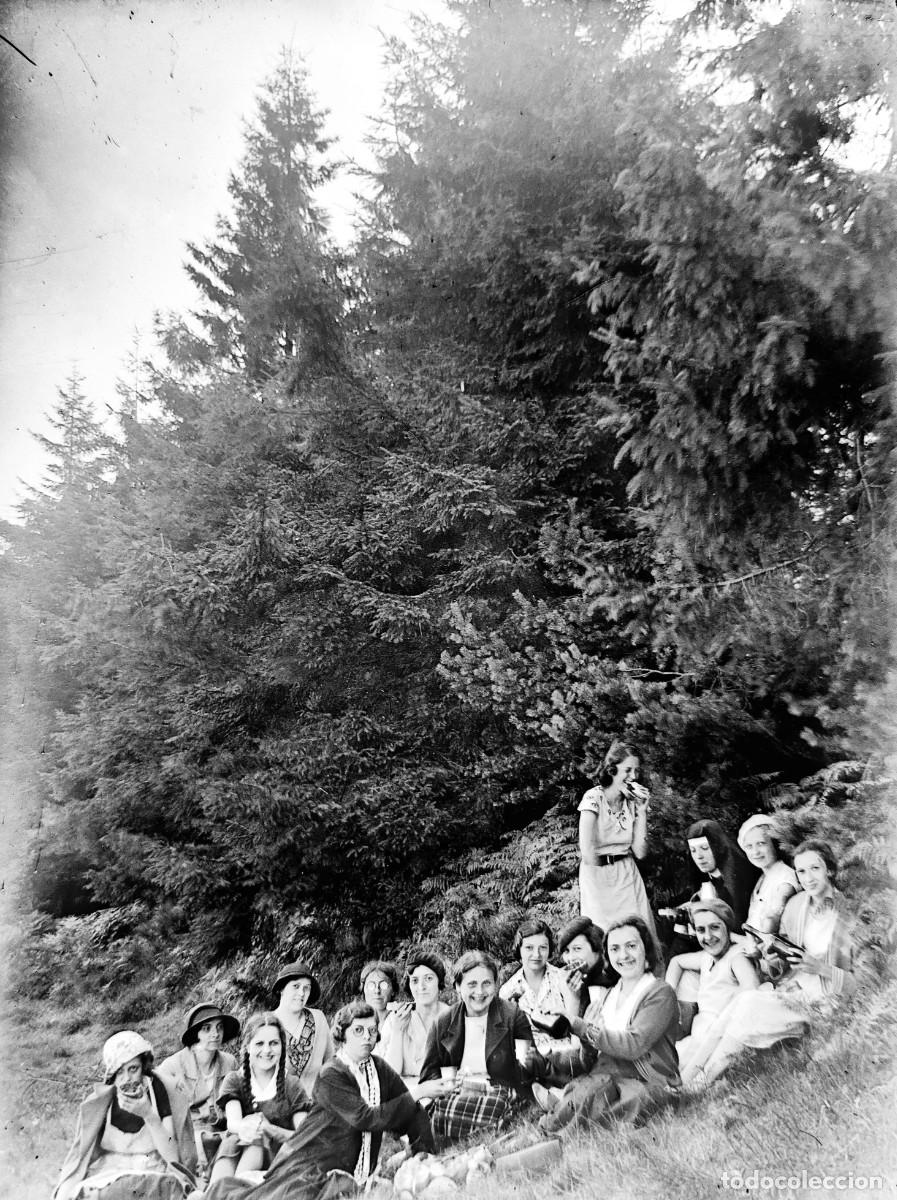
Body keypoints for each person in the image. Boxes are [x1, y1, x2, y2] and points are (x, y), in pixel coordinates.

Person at [202, 1002, 435, 1200]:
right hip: (307, 1160)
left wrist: (424, 1154)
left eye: (372, 1031)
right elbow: (364, 1118)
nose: (366, 1037)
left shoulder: (377, 1068)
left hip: (306, 1153)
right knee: (246, 1174)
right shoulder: (331, 1073)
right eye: (358, 1030)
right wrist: (251, 1127)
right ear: (343, 1034)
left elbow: (408, 1109)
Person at [533, 917, 680, 1133]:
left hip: (644, 1083)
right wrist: (583, 1037)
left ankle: (556, 1133)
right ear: (608, 956)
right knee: (584, 1096)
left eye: (631, 946)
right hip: (607, 1079)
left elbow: (633, 1045)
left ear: (645, 950)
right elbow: (589, 1059)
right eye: (615, 949)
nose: (623, 955)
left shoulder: (660, 993)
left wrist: (581, 1026)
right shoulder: (608, 996)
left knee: (587, 1109)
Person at [55, 1030, 197, 1200]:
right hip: (110, 1169)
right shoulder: (103, 1100)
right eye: (119, 1072)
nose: (127, 1078)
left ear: (144, 1067)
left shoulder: (157, 1090)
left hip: (150, 1168)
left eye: (133, 1069)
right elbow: (81, 1157)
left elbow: (172, 1155)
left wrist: (148, 1115)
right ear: (112, 1075)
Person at [418, 950, 536, 1142]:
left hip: (500, 1090)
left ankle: (453, 1134)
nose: (480, 992)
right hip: (457, 1093)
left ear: (496, 985)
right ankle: (478, 1132)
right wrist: (451, 1084)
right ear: (458, 987)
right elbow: (428, 1076)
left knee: (495, 1103)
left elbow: (528, 1071)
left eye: (486, 983)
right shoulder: (443, 1022)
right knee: (445, 1106)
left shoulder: (512, 1015)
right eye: (471, 984)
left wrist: (529, 1062)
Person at [664, 900, 760, 1084]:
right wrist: (668, 996)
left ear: (728, 930)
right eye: (701, 930)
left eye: (715, 927)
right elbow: (676, 961)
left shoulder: (737, 958)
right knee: (668, 1067)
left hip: (723, 1034)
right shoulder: (706, 958)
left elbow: (752, 993)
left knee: (694, 1079)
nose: (708, 936)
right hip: (699, 1036)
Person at [208, 1015, 310, 1184]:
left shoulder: (291, 1084)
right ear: (248, 1046)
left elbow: (303, 1135)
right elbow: (233, 1123)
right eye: (259, 1043)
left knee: (258, 1134)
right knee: (241, 1136)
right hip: (239, 1149)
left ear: (282, 1047)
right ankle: (217, 1191)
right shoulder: (235, 1080)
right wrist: (249, 1126)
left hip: (279, 1158)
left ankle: (237, 1192)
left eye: (273, 1043)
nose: (267, 1050)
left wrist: (269, 1130)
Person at [577, 741, 657, 941]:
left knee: (639, 933)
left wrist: (642, 812)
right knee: (603, 934)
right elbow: (586, 850)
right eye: (628, 770)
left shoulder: (631, 803)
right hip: (596, 875)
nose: (634, 777)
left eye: (636, 771)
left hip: (626, 875)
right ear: (612, 769)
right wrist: (600, 880)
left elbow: (640, 852)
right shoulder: (593, 798)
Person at [157, 1003, 240, 1172]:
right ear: (195, 1034)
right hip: (189, 1140)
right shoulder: (171, 1067)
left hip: (224, 1135)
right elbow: (164, 1119)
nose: (215, 1034)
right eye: (206, 1029)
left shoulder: (230, 1062)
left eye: (219, 1027)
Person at [499, 918, 578, 1056]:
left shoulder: (563, 979)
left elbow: (574, 1028)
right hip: (526, 1061)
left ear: (550, 949)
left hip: (563, 1059)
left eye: (543, 947)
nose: (536, 954)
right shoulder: (508, 991)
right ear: (519, 949)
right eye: (529, 948)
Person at [378, 948, 452, 1095]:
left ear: (439, 981)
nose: (421, 987)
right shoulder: (396, 1018)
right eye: (415, 980)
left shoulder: (451, 1018)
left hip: (443, 1096)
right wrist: (398, 1031)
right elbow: (389, 1075)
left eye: (429, 978)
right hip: (405, 1098)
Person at [271, 961, 334, 1095]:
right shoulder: (266, 1024)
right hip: (279, 1107)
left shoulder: (318, 1019)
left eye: (307, 988)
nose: (301, 993)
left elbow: (331, 1064)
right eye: (296, 986)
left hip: (316, 1105)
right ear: (281, 989)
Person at [738, 814, 800, 935]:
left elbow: (773, 917)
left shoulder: (785, 877)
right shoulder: (763, 878)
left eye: (761, 843)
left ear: (774, 844)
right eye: (749, 846)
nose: (755, 852)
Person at [556, 916, 610, 1020]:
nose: (571, 958)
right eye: (566, 951)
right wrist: (572, 997)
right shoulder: (562, 981)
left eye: (577, 949)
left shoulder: (613, 983)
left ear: (598, 951)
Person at [358, 960, 400, 1025]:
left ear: (393, 991)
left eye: (383, 985)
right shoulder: (354, 1022)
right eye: (371, 985)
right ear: (363, 989)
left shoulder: (403, 1019)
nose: (377, 991)